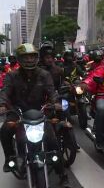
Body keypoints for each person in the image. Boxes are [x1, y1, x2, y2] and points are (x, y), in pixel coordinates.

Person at [0, 43, 70, 187]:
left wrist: (55, 103)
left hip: (40, 112)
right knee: (5, 130)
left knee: (52, 141)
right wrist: (2, 105)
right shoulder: (11, 75)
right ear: (19, 59)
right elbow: (5, 92)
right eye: (26, 57)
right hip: (17, 112)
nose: (30, 60)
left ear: (37, 58)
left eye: (32, 57)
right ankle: (9, 158)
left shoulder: (44, 75)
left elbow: (52, 92)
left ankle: (62, 175)